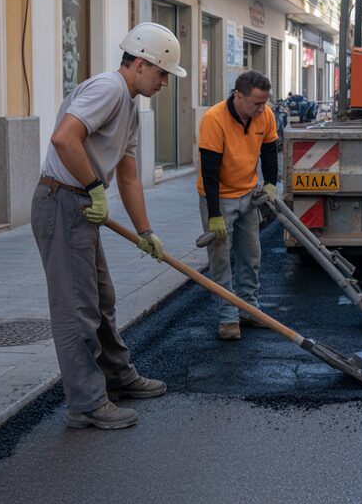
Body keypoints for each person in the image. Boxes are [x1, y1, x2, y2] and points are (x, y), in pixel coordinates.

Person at [34, 22, 183, 429]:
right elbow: (64, 137)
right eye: (161, 73)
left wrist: (145, 230)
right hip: (61, 201)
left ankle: (117, 377)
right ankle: (86, 404)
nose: (164, 83)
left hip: (80, 203)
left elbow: (130, 175)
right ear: (139, 64)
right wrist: (94, 188)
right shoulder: (109, 89)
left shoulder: (131, 105)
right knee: (76, 309)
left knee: (102, 299)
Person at [198, 70, 279, 340]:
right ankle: (228, 317)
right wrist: (214, 215)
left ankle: (249, 309)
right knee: (221, 259)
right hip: (219, 197)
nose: (262, 108)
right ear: (238, 96)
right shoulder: (214, 119)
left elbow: (269, 151)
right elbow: (209, 172)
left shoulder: (264, 116)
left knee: (251, 255)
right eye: (257, 102)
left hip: (248, 194)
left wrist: (271, 183)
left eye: (265, 101)